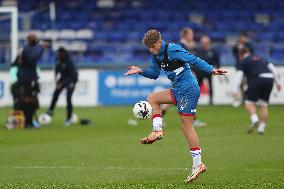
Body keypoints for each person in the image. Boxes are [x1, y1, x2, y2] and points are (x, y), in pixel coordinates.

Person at [124, 30, 227, 183]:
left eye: (153, 47)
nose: (151, 50)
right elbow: (154, 73)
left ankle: (198, 165)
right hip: (178, 89)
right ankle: (157, 130)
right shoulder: (156, 54)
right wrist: (140, 71)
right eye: (149, 48)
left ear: (159, 42)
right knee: (153, 98)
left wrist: (211, 70)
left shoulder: (173, 49)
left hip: (188, 89)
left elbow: (193, 60)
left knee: (186, 126)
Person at [233, 48, 281, 134]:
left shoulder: (243, 61)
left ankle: (254, 120)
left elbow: (239, 75)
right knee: (264, 105)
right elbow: (273, 68)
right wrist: (277, 83)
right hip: (269, 79)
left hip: (257, 79)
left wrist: (235, 89)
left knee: (249, 102)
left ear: (240, 55)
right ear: (249, 52)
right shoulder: (260, 58)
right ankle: (261, 129)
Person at [16, 33, 48, 128]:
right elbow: (32, 59)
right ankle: (28, 122)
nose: (37, 40)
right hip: (26, 78)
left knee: (32, 99)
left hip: (29, 77)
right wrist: (41, 48)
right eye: (35, 38)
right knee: (28, 99)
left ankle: (30, 121)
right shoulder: (27, 49)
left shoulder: (30, 48)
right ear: (30, 40)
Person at [46, 47, 78, 126]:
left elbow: (74, 75)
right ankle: (50, 110)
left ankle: (69, 118)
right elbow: (56, 71)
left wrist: (65, 84)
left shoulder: (69, 61)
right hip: (63, 79)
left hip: (71, 81)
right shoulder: (58, 60)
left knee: (68, 99)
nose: (57, 55)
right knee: (55, 94)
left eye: (58, 53)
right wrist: (56, 81)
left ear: (63, 54)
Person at [196, 35, 220, 105]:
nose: (204, 43)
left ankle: (211, 101)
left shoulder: (213, 51)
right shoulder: (199, 50)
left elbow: (217, 60)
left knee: (210, 85)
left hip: (210, 71)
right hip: (200, 72)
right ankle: (195, 100)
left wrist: (217, 69)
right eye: (203, 42)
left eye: (205, 42)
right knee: (197, 87)